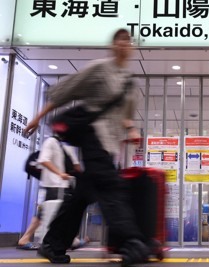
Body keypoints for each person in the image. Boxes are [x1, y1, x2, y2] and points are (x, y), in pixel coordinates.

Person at [23, 28, 147, 265]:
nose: (123, 45)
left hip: (108, 147)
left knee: (82, 196)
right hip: (93, 137)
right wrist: (38, 117)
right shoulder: (99, 69)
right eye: (119, 41)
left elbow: (125, 118)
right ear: (113, 45)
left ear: (131, 48)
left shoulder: (131, 84)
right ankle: (131, 242)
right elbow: (64, 92)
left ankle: (52, 243)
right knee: (112, 189)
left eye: (127, 41)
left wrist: (130, 130)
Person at [17, 135, 87, 251]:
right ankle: (69, 240)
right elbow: (76, 167)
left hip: (53, 185)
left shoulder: (58, 144)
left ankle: (26, 238)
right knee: (61, 212)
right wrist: (61, 174)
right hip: (59, 185)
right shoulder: (63, 145)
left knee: (46, 212)